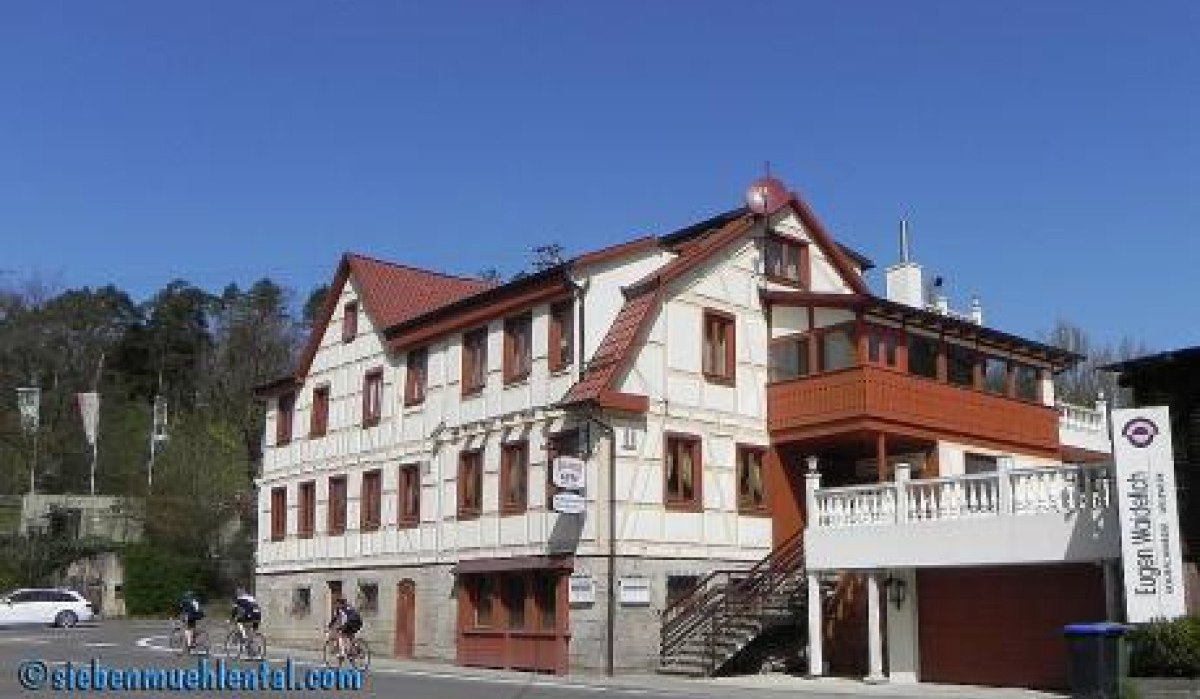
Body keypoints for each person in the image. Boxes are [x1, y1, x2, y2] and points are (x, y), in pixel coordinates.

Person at [327, 597, 362, 662]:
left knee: (340, 634)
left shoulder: (343, 608)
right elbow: (336, 618)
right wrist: (331, 624)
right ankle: (355, 651)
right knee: (350, 635)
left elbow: (340, 618)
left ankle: (342, 653)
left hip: (352, 622)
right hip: (356, 622)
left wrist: (333, 625)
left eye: (337, 604)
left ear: (340, 603)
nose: (336, 605)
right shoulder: (345, 607)